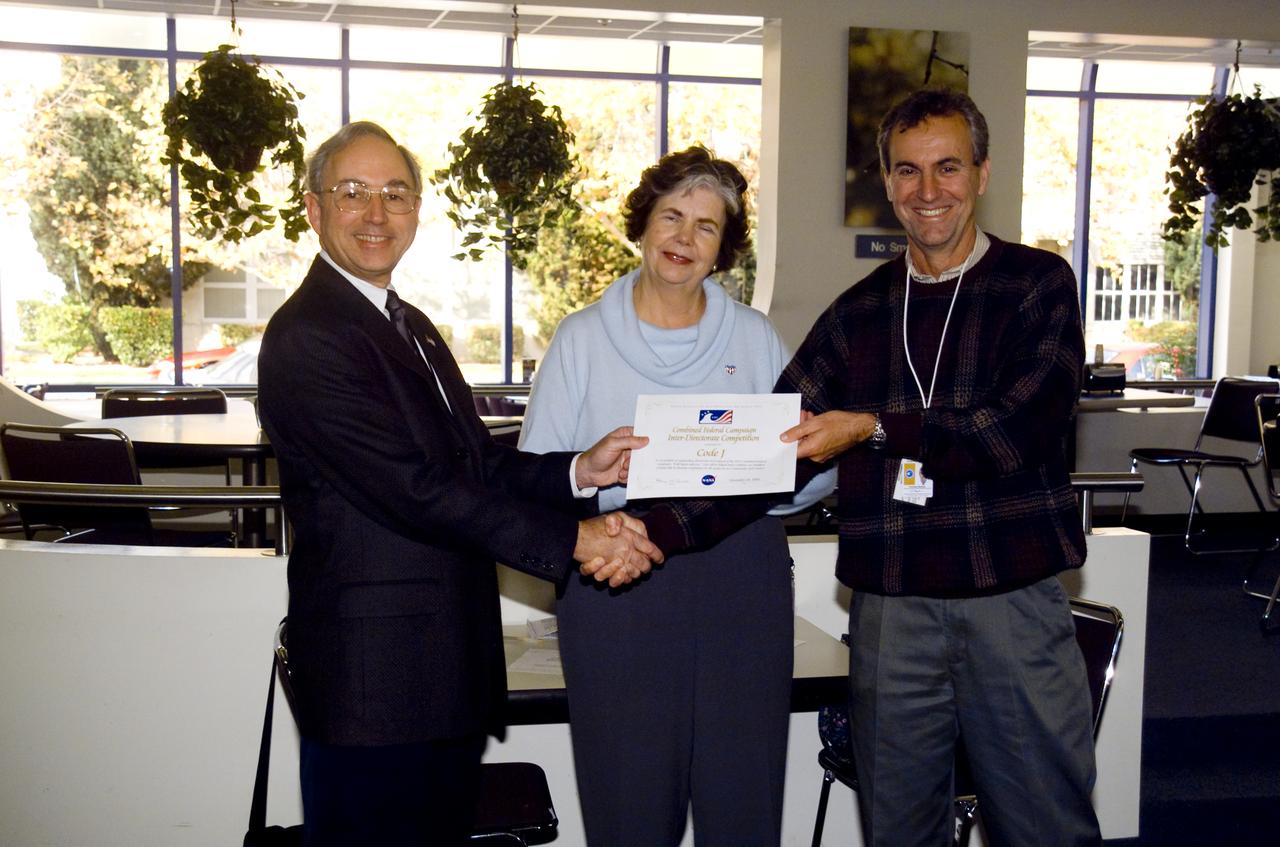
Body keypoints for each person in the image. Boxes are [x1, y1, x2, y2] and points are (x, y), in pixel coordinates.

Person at [644, 91, 1101, 846]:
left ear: (981, 173)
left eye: (948, 168)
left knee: (1044, 822)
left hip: (1011, 606)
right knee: (897, 827)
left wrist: (874, 428)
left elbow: (1017, 430)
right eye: (908, 171)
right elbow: (772, 447)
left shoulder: (1037, 285)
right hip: (891, 614)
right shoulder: (858, 313)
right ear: (886, 183)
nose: (929, 192)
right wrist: (652, 524)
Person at [257, 120, 662, 846]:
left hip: (437, 675)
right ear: (315, 209)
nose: (376, 214)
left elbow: (470, 463)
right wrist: (575, 538)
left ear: (416, 211)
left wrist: (577, 468)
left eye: (396, 194)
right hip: (372, 692)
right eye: (353, 193)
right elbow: (413, 489)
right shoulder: (309, 335)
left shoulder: (403, 321)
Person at [520, 146, 831, 847]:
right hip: (618, 581)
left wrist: (804, 457)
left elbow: (799, 478)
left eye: (706, 226)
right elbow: (535, 482)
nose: (684, 238)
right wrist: (593, 475)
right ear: (643, 225)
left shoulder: (755, 341)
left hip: (739, 583)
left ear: (724, 250)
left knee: (743, 797)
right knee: (627, 801)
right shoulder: (580, 339)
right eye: (671, 216)